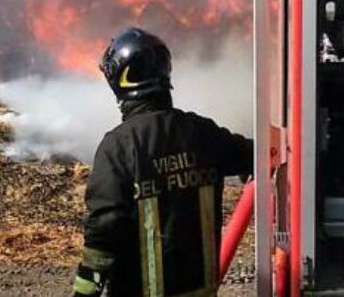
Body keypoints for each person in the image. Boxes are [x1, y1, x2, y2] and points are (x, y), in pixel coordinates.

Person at [72, 28, 253, 297]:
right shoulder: (202, 133)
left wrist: (84, 293)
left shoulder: (119, 147)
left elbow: (104, 229)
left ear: (122, 81)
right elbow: (255, 155)